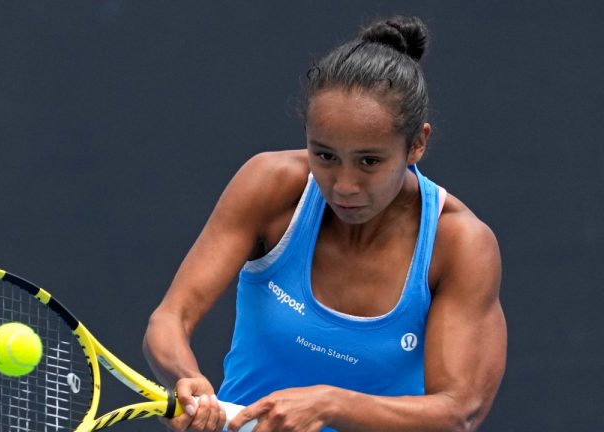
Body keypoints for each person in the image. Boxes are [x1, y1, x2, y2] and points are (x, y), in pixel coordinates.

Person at [143, 15, 506, 432]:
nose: (344, 186)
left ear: (417, 144)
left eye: (369, 161)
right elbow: (170, 319)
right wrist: (186, 379)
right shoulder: (271, 186)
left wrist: (329, 403)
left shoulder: (459, 243)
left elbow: (460, 412)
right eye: (326, 156)